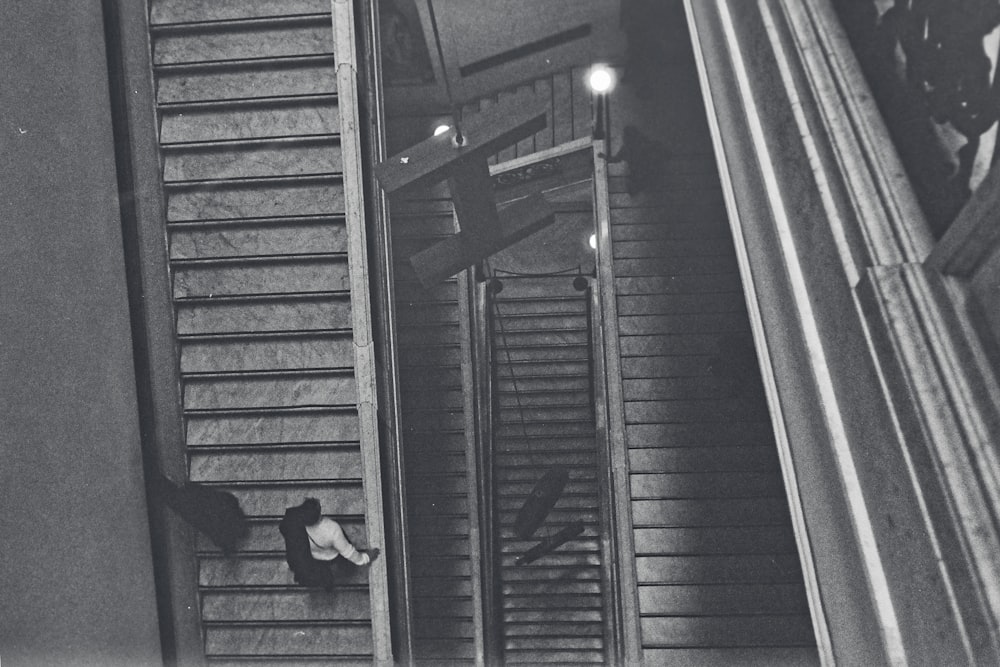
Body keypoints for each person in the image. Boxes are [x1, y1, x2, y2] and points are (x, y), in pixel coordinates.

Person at [279, 498, 378, 590]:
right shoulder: (332, 529)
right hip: (332, 556)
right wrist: (365, 558)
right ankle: (346, 570)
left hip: (313, 557)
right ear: (319, 511)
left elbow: (283, 528)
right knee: (344, 564)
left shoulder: (294, 522)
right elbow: (348, 552)